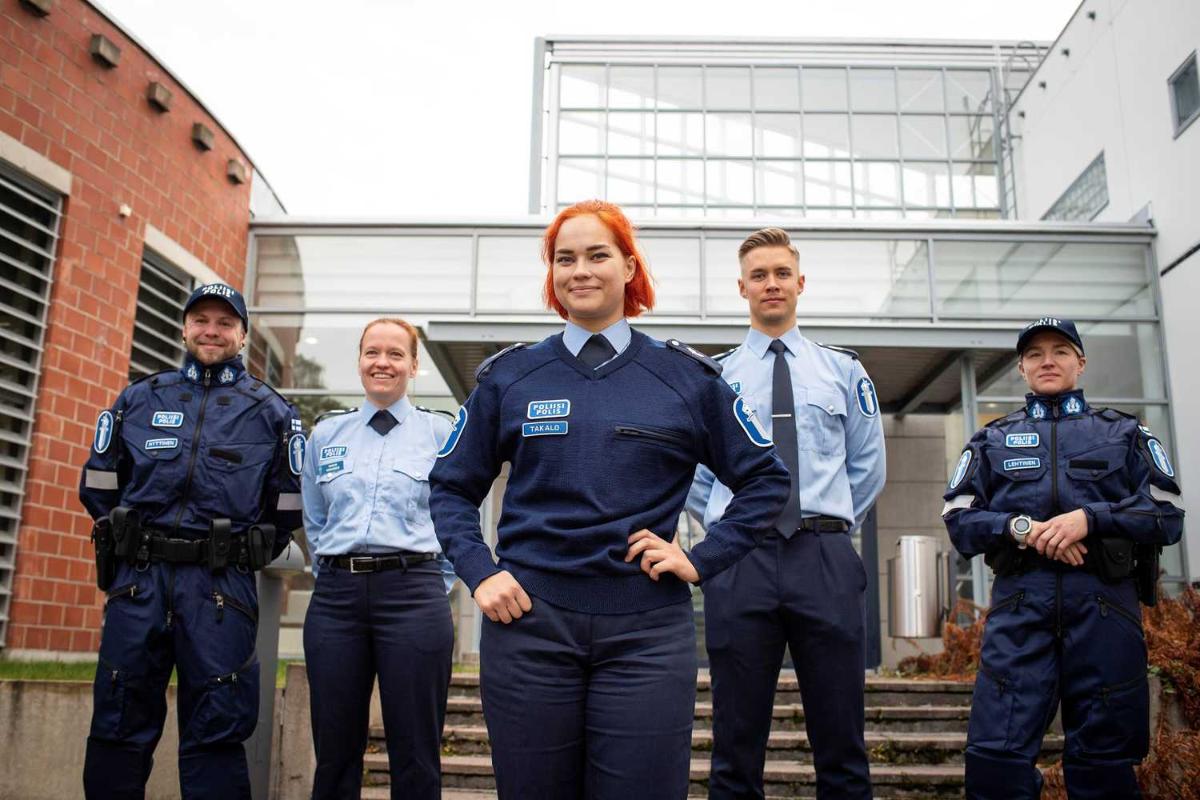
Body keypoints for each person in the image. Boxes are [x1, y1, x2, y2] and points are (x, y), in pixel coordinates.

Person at [428, 199, 790, 800]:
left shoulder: (686, 378)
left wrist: (701, 558)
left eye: (598, 255)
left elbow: (766, 481)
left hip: (646, 636)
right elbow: (449, 486)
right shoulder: (510, 377)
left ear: (628, 266)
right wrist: (478, 571)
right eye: (564, 258)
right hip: (528, 627)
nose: (581, 270)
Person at [942, 317, 1184, 800]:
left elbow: (1168, 514)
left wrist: (1088, 519)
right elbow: (959, 520)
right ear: (1022, 368)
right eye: (1035, 354)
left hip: (1104, 609)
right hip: (1019, 608)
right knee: (995, 758)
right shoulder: (991, 440)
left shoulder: (1126, 434)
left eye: (1059, 350)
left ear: (1081, 362)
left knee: (1104, 763)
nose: (1047, 361)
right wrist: (1023, 529)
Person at [79, 283, 303, 800]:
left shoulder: (273, 413)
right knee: (118, 716)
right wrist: (124, 535)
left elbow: (288, 505)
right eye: (201, 319)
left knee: (218, 727)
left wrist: (238, 550)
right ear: (183, 327)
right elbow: (98, 483)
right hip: (139, 584)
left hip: (220, 590)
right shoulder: (139, 398)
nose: (211, 331)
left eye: (225, 323)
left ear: (243, 335)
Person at [687, 227, 886, 799]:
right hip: (739, 561)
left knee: (842, 738)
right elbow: (697, 478)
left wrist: (830, 522)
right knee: (735, 740)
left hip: (823, 557)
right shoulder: (715, 379)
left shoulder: (843, 371)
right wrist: (733, 529)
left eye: (780, 274)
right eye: (758, 275)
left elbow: (867, 467)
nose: (770, 284)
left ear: (800, 283)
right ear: (741, 287)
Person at [300, 317, 456, 800]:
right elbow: (316, 519)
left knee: (415, 751)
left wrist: (434, 581)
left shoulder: (441, 434)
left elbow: (456, 516)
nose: (381, 363)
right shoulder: (326, 435)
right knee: (334, 748)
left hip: (413, 595)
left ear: (414, 365)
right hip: (336, 600)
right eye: (372, 352)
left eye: (394, 354)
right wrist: (333, 573)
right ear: (360, 361)